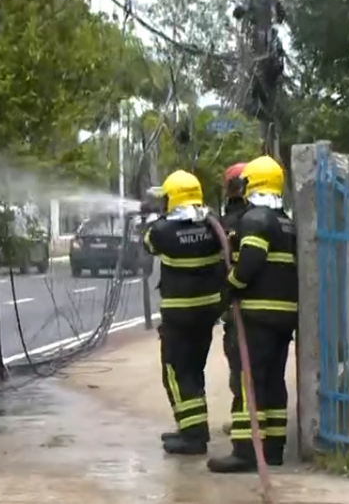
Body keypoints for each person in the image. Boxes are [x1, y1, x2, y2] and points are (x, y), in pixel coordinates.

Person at [207, 155, 299, 474]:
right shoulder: (286, 220)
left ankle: (246, 450)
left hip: (258, 312)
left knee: (250, 381)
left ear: (252, 184)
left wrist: (230, 286)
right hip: (284, 315)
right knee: (273, 380)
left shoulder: (255, 219)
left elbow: (250, 263)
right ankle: (273, 448)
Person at [143, 170, 227, 455]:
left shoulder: (162, 231)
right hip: (207, 313)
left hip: (179, 315)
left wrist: (155, 216)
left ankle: (193, 437)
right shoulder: (212, 227)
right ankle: (193, 429)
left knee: (176, 372)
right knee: (193, 370)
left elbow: (148, 244)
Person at [217, 162, 249, 437]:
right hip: (271, 308)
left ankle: (244, 423)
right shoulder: (268, 217)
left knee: (241, 366)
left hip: (240, 307)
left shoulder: (231, 222)